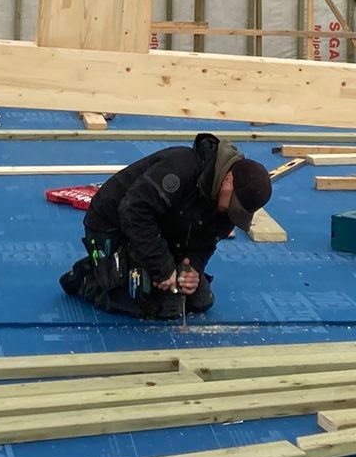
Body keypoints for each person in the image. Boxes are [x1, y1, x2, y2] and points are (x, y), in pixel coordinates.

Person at [59, 132, 273, 320]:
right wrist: (162, 265)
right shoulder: (181, 168)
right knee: (144, 299)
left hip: (160, 229)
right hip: (112, 224)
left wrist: (192, 269)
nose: (231, 213)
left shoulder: (226, 207)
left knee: (198, 301)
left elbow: (207, 241)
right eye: (233, 206)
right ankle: (88, 278)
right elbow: (133, 211)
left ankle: (133, 267)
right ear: (228, 180)